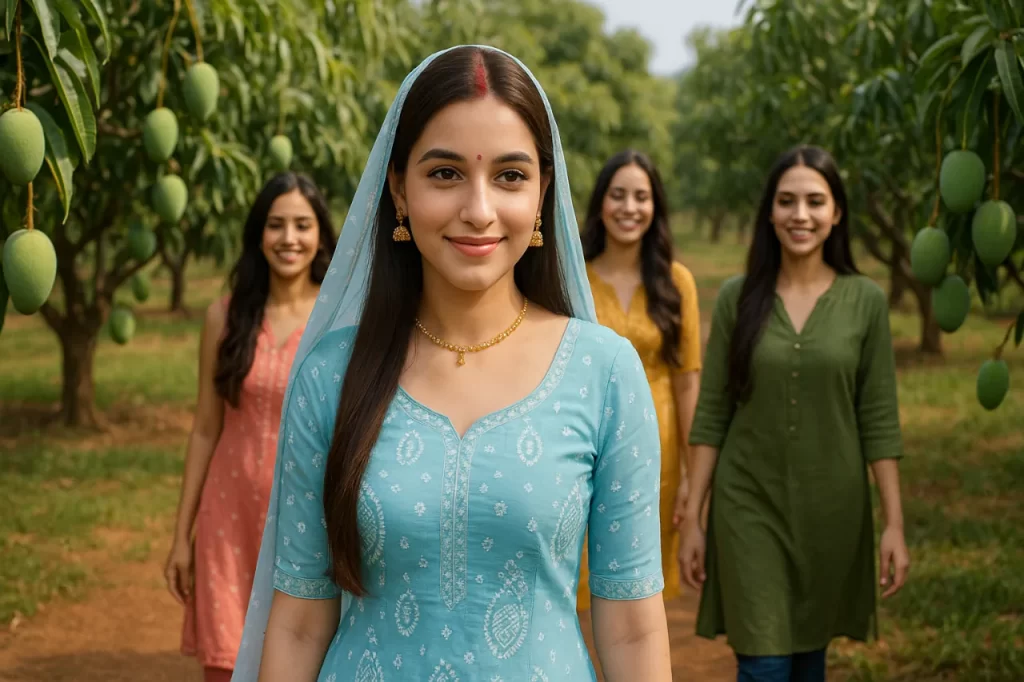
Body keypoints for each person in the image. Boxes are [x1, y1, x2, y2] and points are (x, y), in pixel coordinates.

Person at [228, 45, 673, 682]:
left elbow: (632, 628)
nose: (479, 209)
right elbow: (300, 619)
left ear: (544, 192)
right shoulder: (331, 374)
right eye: (445, 174)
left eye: (510, 176)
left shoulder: (604, 372)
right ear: (398, 191)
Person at [679, 144, 910, 682]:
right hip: (748, 506)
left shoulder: (865, 302)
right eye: (786, 202)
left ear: (837, 213)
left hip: (833, 511)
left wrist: (894, 524)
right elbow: (712, 410)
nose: (799, 215)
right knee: (764, 664)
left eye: (814, 201)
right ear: (770, 212)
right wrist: (693, 519)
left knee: (808, 662)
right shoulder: (740, 297)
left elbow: (878, 418)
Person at [163, 172, 337, 682]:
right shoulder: (225, 317)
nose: (289, 238)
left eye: (302, 225)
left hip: (306, 520)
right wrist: (181, 535)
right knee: (224, 658)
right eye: (276, 225)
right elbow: (204, 428)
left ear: (322, 236)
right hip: (228, 517)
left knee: (299, 657)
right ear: (257, 235)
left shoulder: (338, 320)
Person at [576, 149, 702, 611]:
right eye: (619, 195)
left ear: (656, 207)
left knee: (639, 591)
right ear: (601, 203)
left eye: (642, 197)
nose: (630, 208)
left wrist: (692, 474)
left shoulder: (676, 282)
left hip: (659, 452)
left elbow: (687, 381)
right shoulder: (574, 278)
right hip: (585, 444)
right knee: (581, 584)